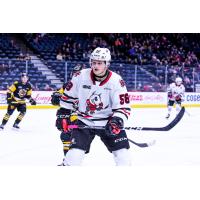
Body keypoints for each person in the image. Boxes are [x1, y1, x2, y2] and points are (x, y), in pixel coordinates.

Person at [56, 47, 132, 166]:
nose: (96, 66)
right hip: (84, 121)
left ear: (107, 64)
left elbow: (123, 107)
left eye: (100, 63)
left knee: (123, 158)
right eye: (94, 62)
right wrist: (63, 115)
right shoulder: (80, 76)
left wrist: (117, 120)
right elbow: (68, 97)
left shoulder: (116, 81)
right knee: (73, 157)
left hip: (108, 122)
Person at [51, 64, 83, 165]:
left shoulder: (89, 86)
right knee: (65, 136)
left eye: (78, 73)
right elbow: (56, 99)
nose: (76, 75)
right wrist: (56, 97)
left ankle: (72, 160)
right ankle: (67, 161)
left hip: (78, 115)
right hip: (66, 113)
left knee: (74, 134)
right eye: (75, 73)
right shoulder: (67, 85)